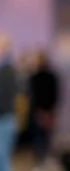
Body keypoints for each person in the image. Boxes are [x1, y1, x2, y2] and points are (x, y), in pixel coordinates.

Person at [28, 51, 60, 167]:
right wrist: (51, 109)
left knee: (39, 135)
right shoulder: (51, 77)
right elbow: (55, 94)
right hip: (48, 109)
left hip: (40, 110)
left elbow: (33, 96)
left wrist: (39, 110)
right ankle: (45, 157)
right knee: (47, 134)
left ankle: (40, 158)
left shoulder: (34, 77)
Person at [0, 34, 18, 171]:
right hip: (5, 118)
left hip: (4, 119)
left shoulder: (7, 71)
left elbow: (4, 99)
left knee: (2, 158)